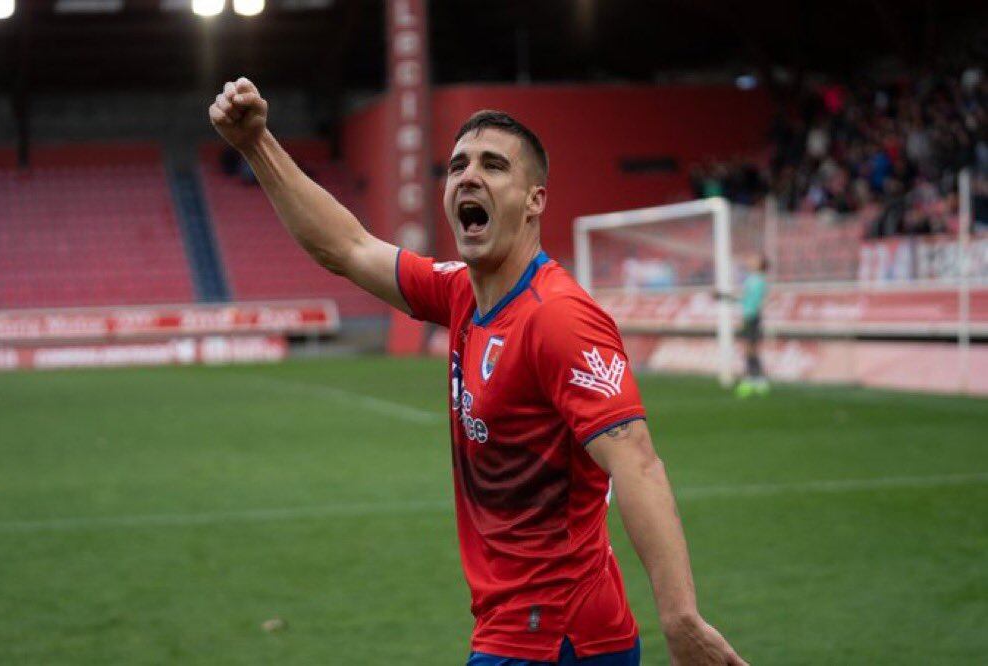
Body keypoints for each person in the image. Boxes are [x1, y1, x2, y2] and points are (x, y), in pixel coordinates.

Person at [209, 77, 746, 666]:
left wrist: (680, 618)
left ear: (535, 200)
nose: (469, 176)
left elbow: (636, 461)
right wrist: (257, 144)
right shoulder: (462, 293)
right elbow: (348, 247)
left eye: (494, 166)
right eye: (458, 164)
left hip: (553, 633)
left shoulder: (559, 318)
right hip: (531, 629)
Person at [735, 255, 769, 398]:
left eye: (754, 259)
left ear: (760, 264)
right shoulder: (751, 279)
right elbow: (745, 299)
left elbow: (753, 301)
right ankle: (755, 378)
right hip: (750, 316)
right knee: (750, 348)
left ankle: (754, 379)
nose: (750, 261)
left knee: (750, 348)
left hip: (752, 317)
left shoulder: (758, 281)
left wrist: (746, 318)